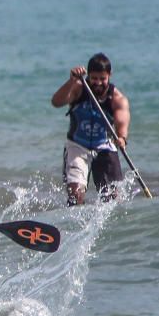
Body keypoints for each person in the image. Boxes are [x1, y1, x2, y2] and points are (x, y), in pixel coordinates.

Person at [50, 52, 132, 206]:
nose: (98, 83)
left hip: (104, 145)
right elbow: (56, 102)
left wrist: (122, 138)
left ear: (109, 75)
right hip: (77, 146)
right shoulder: (78, 89)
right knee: (75, 196)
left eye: (103, 79)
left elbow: (122, 121)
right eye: (94, 78)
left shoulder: (116, 98)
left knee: (112, 199)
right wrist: (71, 81)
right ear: (88, 76)